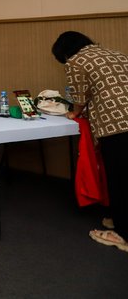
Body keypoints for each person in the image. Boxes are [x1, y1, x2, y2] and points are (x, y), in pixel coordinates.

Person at [52, 31, 128, 253]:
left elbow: (79, 96)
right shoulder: (117, 54)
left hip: (116, 123)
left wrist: (75, 113)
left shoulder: (76, 61)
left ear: (65, 53)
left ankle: (123, 235)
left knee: (119, 178)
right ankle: (115, 217)